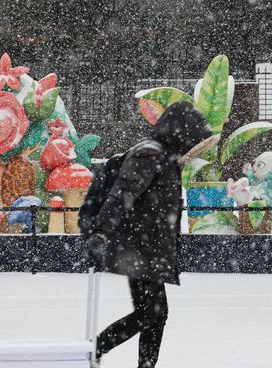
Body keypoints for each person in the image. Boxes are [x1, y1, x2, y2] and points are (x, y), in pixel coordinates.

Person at [83, 101, 214, 368]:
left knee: (152, 314)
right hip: (139, 247)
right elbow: (122, 194)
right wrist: (100, 232)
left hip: (147, 247)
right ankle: (97, 347)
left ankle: (115, 354)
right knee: (152, 314)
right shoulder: (149, 154)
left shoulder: (163, 155)